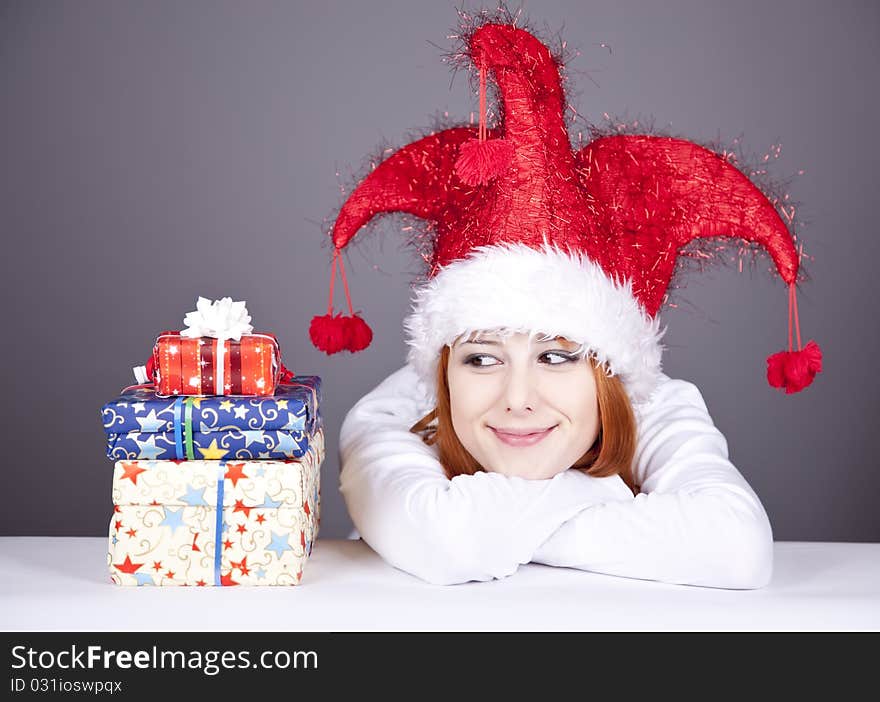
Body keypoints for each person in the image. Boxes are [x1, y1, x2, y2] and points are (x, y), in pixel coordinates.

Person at [310, 20, 821, 589]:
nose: (518, 400)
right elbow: (447, 539)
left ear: (610, 370)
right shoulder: (395, 414)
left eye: (556, 357)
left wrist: (510, 524)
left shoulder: (654, 407)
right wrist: (599, 492)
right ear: (445, 367)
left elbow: (736, 548)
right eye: (481, 358)